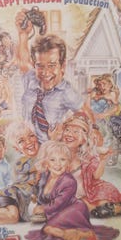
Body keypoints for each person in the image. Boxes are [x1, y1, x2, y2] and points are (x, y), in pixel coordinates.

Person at [24, 141, 119, 240]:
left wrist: (43, 209)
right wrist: (35, 200)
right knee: (51, 230)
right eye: (52, 160)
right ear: (46, 163)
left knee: (48, 229)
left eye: (62, 159)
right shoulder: (45, 176)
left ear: (68, 163)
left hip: (74, 209)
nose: (57, 164)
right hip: (59, 212)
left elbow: (58, 203)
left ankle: (77, 235)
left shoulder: (68, 181)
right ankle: (78, 234)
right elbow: (40, 193)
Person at [15, 10, 84, 141]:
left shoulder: (66, 91)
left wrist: (65, 136)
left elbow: (86, 117)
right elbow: (24, 62)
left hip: (51, 149)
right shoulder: (31, 79)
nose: (45, 73)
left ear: (62, 66)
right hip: (28, 145)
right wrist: (23, 34)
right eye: (40, 66)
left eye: (52, 65)